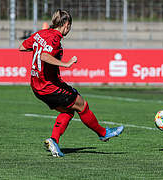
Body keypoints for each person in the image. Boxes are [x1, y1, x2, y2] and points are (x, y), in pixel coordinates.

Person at [19, 9, 124, 157]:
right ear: (66, 24)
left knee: (68, 110)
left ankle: (53, 140)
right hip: (49, 86)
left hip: (36, 85)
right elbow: (44, 56)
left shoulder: (40, 34)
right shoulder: (55, 39)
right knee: (81, 104)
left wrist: (38, 46)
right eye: (70, 26)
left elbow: (22, 47)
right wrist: (66, 64)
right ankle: (103, 133)